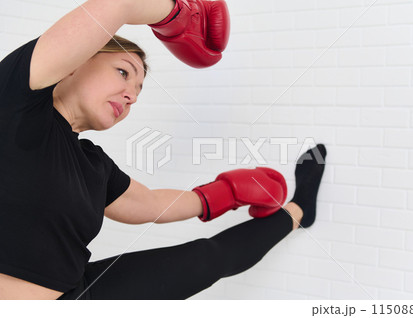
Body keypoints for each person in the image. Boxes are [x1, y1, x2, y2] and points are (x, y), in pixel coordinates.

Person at [0, 0, 326, 300]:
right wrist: (179, 15)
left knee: (206, 259)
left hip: (76, 297)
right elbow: (119, 3)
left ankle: (298, 210)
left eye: (138, 89)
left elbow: (150, 205)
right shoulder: (15, 101)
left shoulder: (94, 164)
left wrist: (225, 192)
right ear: (75, 62)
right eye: (123, 72)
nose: (132, 96)